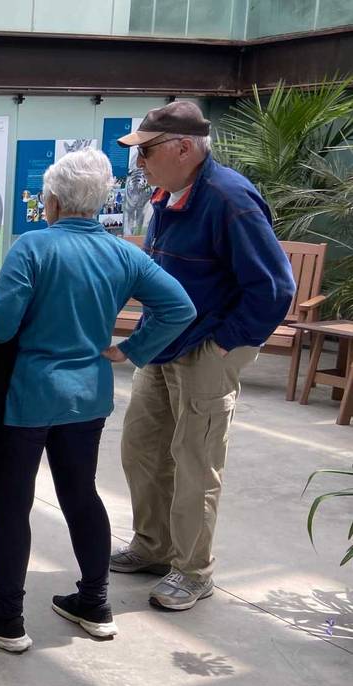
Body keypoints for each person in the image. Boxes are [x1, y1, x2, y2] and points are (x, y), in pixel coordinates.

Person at [0, 149, 195, 653]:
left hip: (28, 396)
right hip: (88, 396)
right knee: (81, 495)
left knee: (13, 504)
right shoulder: (123, 254)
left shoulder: (33, 246)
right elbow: (179, 307)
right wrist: (130, 349)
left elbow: (1, 326)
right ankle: (94, 602)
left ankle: (8, 617)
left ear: (54, 201)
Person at [112, 102, 295, 610]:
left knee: (195, 462)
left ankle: (192, 570)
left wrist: (224, 345)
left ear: (184, 148)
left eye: (147, 151)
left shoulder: (229, 199)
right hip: (163, 343)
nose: (140, 162)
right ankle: (153, 546)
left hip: (206, 348)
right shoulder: (169, 195)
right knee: (142, 447)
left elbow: (275, 288)